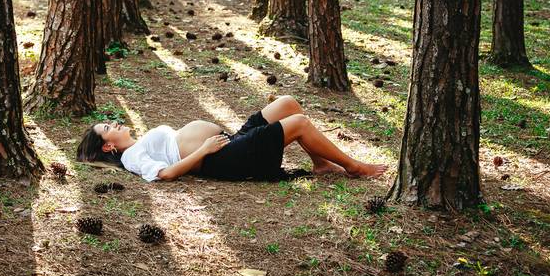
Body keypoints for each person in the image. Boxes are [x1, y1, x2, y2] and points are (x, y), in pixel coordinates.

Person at [76, 95, 387, 182]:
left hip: (229, 143)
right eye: (107, 127)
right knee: (299, 123)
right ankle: (353, 166)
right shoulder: (131, 157)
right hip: (223, 160)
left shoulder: (138, 143)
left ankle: (321, 163)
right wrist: (203, 150)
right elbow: (166, 174)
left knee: (287, 104)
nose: (114, 122)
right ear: (108, 146)